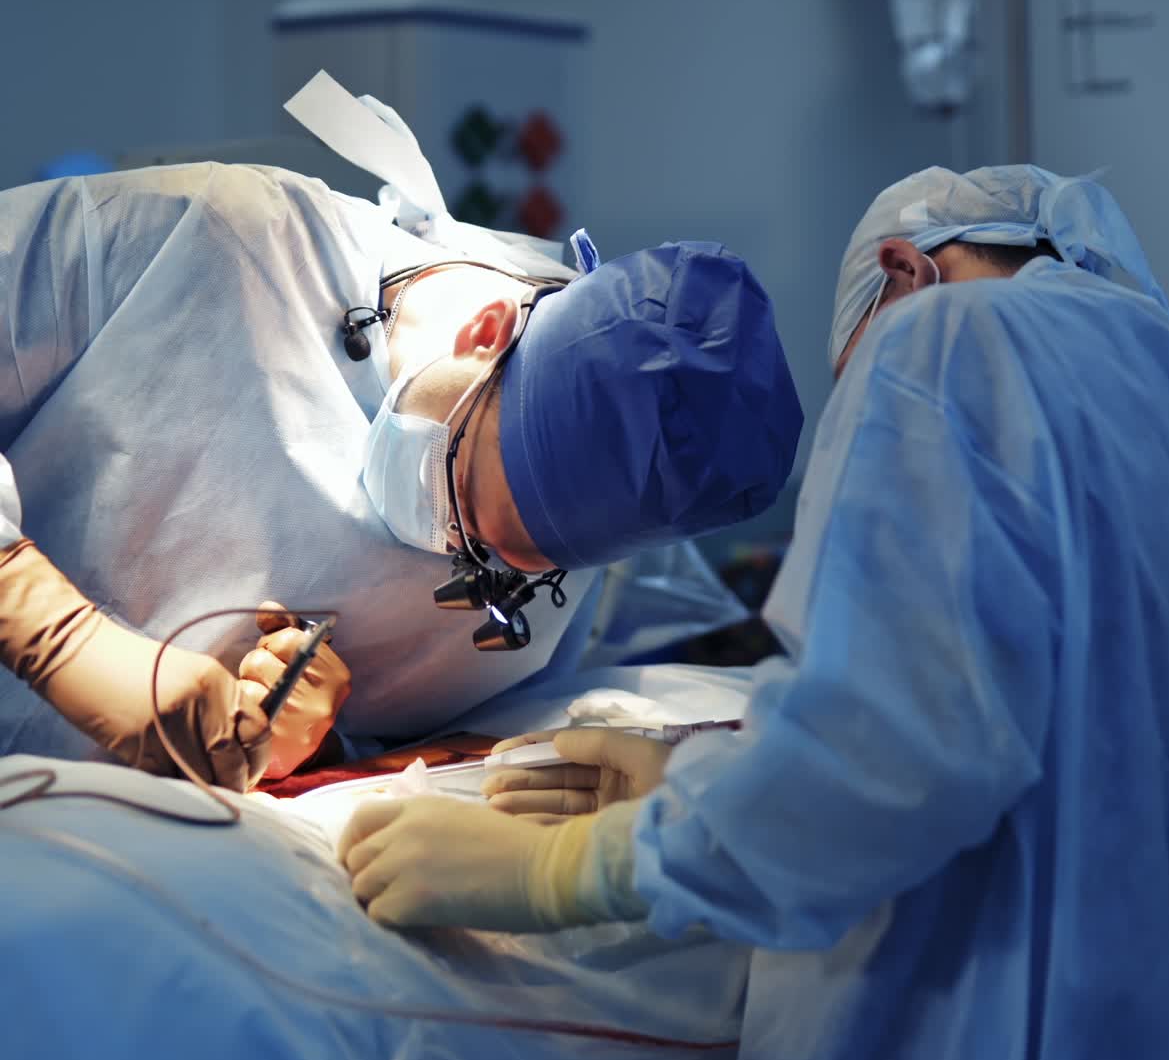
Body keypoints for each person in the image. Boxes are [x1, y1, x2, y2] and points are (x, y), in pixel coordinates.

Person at [338, 165, 1169, 1060]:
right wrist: (709, 776)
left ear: (900, 271)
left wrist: (579, 867)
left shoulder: (949, 339)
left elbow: (884, 752)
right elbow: (1061, 738)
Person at [0, 158, 802, 791]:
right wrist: (48, 628)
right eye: (461, 499)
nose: (454, 561)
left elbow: (409, 764)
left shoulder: (572, 564)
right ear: (486, 332)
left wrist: (308, 745)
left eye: (503, 570)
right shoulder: (211, 240)